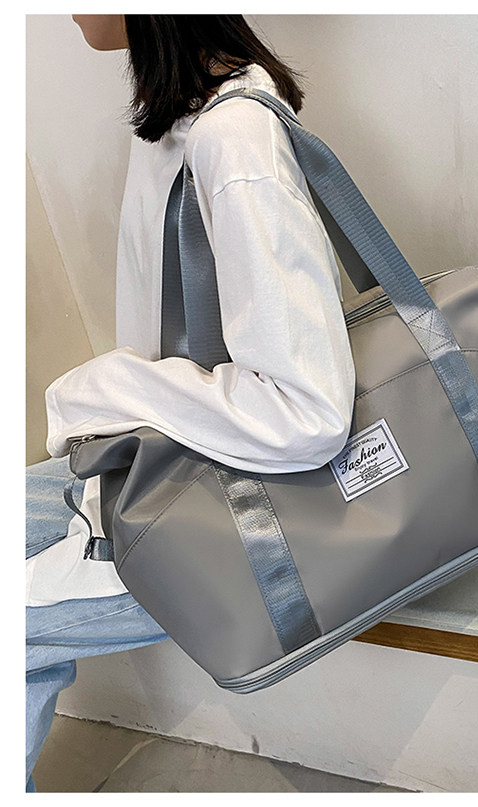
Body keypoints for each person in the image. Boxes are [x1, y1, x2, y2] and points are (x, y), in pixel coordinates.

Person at [26, 15, 356, 792]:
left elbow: (309, 411)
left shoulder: (232, 140)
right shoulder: (186, 116)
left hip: (223, 514)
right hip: (171, 462)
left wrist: (107, 388)